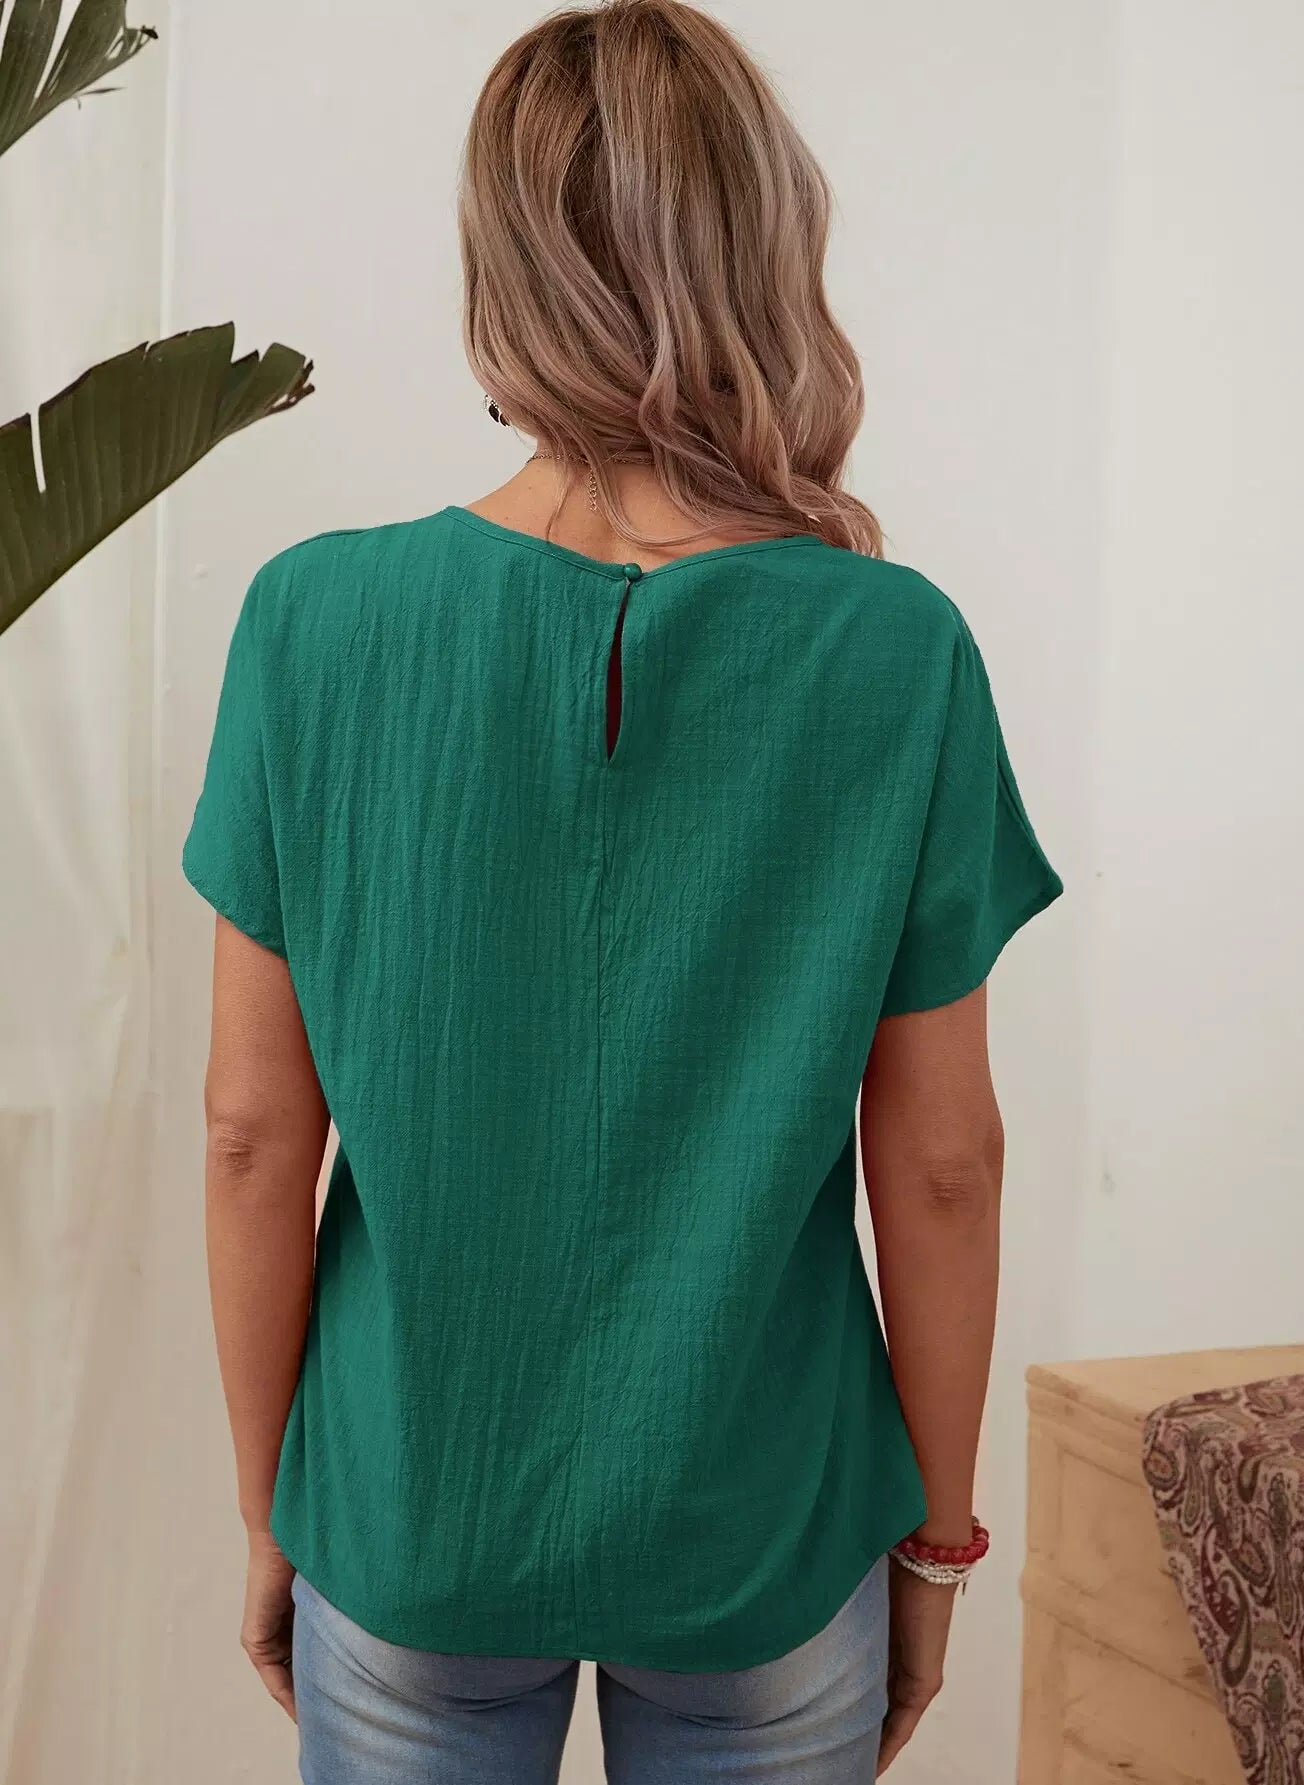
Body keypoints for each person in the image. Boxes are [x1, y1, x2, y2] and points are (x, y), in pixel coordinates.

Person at [181, 2, 1063, 1780]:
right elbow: (944, 1162)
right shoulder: (897, 649)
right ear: (762, 250)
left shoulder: (312, 623)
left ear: (499, 270)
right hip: (765, 1531)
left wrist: (275, 1502)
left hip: (410, 1515)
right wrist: (936, 1544)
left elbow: (255, 1132)